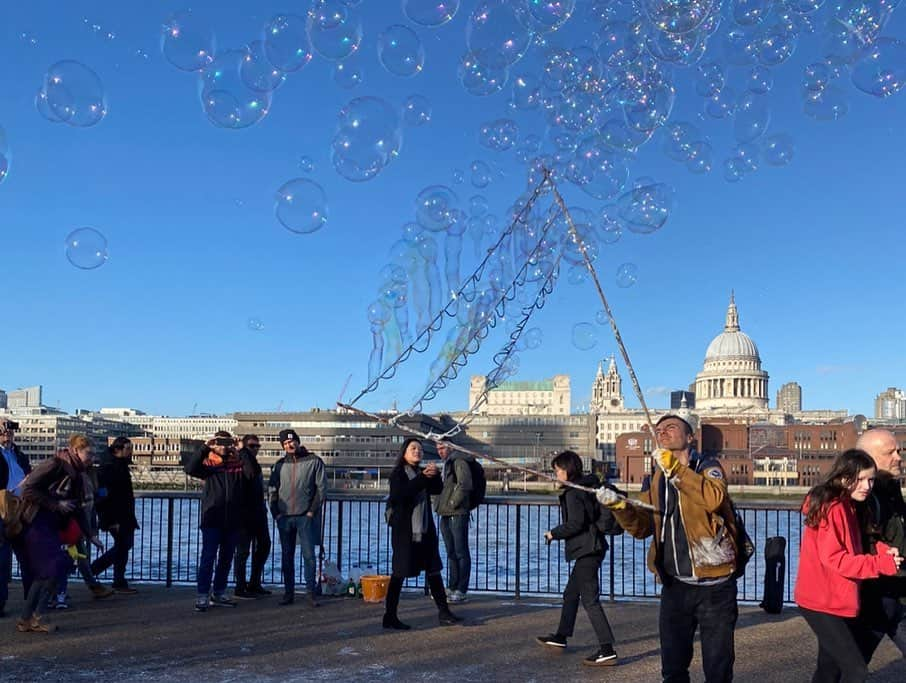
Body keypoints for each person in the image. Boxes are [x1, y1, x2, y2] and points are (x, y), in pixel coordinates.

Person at [597, 415, 740, 683]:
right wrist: (619, 507)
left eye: (671, 427)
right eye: (659, 429)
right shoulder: (657, 479)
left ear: (690, 437)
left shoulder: (708, 468)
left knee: (718, 669)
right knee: (673, 669)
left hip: (715, 585)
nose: (662, 432)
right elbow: (642, 527)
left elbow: (713, 499)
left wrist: (676, 470)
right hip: (675, 585)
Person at [795, 449, 903, 682]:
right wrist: (880, 564)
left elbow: (860, 543)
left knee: (828, 670)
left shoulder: (850, 505)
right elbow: (835, 559)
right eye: (860, 479)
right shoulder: (833, 508)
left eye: (871, 479)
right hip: (821, 601)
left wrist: (885, 551)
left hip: (835, 599)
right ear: (844, 478)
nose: (867, 486)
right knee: (856, 670)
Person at [537, 450, 619, 667]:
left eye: (557, 470)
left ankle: (607, 648)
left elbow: (576, 523)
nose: (555, 474)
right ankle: (561, 637)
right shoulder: (584, 486)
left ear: (567, 470)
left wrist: (553, 533)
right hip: (591, 547)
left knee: (590, 599)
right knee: (571, 594)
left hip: (588, 549)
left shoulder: (574, 493)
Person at [17, 436, 102, 633]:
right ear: (75, 451)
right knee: (53, 567)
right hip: (36, 523)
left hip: (50, 525)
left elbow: (77, 508)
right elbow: (28, 489)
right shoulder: (55, 464)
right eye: (88, 453)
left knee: (49, 570)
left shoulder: (77, 473)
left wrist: (90, 535)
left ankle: (28, 618)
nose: (92, 458)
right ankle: (33, 617)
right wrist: (56, 504)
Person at [383, 438, 461, 630]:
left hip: (425, 529)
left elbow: (437, 490)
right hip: (405, 531)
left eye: (419, 448)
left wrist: (433, 476)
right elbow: (401, 496)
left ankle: (444, 612)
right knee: (399, 573)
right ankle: (390, 616)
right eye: (413, 448)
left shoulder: (421, 471)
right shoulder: (398, 474)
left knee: (434, 570)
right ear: (404, 453)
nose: (418, 451)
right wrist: (423, 478)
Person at [184, 431, 256, 612]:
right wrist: (205, 447)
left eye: (226, 443)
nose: (223, 446)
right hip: (212, 519)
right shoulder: (209, 465)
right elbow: (190, 468)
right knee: (208, 558)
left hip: (232, 520)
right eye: (219, 443)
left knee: (226, 559)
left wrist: (243, 450)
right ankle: (202, 594)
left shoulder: (238, 464)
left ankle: (219, 591)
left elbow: (252, 473)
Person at [853, 429, 906, 662]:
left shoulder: (891, 490)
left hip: (898, 592)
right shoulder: (860, 497)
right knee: (849, 668)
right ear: (869, 459)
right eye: (890, 452)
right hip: (874, 598)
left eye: (899, 451)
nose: (899, 457)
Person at [268, 429, 326, 607]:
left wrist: (311, 512)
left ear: (298, 442)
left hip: (305, 516)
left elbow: (321, 489)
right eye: (285, 443)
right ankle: (288, 593)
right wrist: (275, 513)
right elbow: (272, 491)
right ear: (282, 446)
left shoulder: (314, 461)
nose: (290, 445)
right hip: (284, 518)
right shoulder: (278, 465)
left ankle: (310, 593)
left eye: (292, 442)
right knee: (287, 556)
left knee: (309, 556)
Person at [91, 437, 140, 594]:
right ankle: (99, 572)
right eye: (128, 449)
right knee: (123, 546)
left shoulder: (118, 465)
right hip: (117, 516)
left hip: (124, 514)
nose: (131, 452)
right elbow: (103, 496)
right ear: (118, 450)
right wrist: (110, 520)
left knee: (124, 546)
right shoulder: (108, 468)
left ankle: (102, 573)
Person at [233, 434, 272, 599]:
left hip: (258, 513)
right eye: (252, 446)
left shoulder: (252, 462)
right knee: (242, 551)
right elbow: (249, 473)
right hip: (244, 515)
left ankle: (254, 582)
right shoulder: (241, 460)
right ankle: (240, 587)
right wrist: (242, 450)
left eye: (257, 446)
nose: (255, 449)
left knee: (264, 546)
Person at [434, 439, 473, 603]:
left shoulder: (458, 461)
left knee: (460, 551)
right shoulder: (447, 463)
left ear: (450, 447)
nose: (439, 451)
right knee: (451, 552)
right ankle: (452, 586)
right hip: (445, 512)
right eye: (437, 448)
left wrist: (452, 503)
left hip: (457, 512)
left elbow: (465, 484)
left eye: (442, 447)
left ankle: (461, 589)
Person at [0, 418, 30, 618]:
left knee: (28, 556)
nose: (7, 433)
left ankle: (33, 601)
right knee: (1, 559)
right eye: (3, 430)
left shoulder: (19, 454)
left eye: (9, 429)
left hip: (21, 508)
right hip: (1, 508)